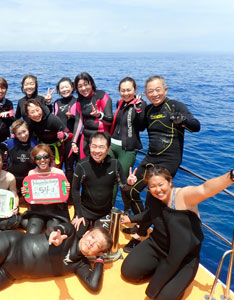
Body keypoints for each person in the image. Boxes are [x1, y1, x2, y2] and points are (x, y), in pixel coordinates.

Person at [121, 164, 234, 300]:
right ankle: (161, 268)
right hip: (157, 245)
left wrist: (233, 175)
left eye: (161, 184)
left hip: (184, 258)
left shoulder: (183, 196)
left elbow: (205, 189)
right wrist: (130, 218)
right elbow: (150, 214)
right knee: (128, 272)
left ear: (170, 181)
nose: (158, 190)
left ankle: (174, 278)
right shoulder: (154, 198)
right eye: (152, 186)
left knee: (163, 297)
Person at [124, 75, 201, 253]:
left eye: (158, 90)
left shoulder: (175, 106)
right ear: (146, 93)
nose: (155, 94)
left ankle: (140, 233)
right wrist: (137, 111)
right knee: (132, 190)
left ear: (165, 90)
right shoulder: (149, 109)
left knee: (154, 197)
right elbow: (140, 126)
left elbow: (196, 126)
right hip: (151, 157)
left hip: (169, 159)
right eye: (150, 91)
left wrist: (182, 120)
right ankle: (139, 223)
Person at [71, 132, 137, 238]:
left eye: (101, 147)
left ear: (108, 149)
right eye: (94, 146)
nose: (97, 151)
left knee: (100, 240)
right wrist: (78, 214)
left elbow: (124, 187)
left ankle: (92, 229)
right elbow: (75, 190)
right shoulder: (82, 165)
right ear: (89, 146)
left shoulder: (115, 164)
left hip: (104, 212)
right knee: (75, 237)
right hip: (84, 211)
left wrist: (129, 184)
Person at [109, 77, 146, 214]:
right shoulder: (120, 103)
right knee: (110, 178)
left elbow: (142, 127)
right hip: (112, 146)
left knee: (123, 181)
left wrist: (138, 111)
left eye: (128, 90)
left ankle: (127, 210)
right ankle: (110, 208)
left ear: (135, 89)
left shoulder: (140, 104)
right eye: (122, 90)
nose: (125, 93)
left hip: (128, 149)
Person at [21, 144, 71, 234]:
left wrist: (67, 190)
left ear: (49, 158)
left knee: (52, 233)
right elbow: (30, 199)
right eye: (38, 158)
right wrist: (26, 193)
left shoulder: (58, 173)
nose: (42, 160)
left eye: (45, 156)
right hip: (38, 210)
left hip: (55, 210)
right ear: (35, 160)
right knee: (31, 233)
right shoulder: (31, 173)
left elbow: (65, 198)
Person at [71, 72, 113, 159]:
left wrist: (99, 115)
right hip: (85, 138)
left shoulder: (102, 96)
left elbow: (110, 120)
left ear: (91, 83)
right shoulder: (79, 100)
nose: (83, 88)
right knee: (83, 164)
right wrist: (74, 142)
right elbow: (79, 121)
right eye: (80, 86)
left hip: (101, 138)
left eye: (86, 84)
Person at [25, 99, 71, 168]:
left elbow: (70, 135)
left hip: (56, 148)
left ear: (42, 109)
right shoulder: (30, 122)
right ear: (28, 115)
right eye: (32, 112)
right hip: (42, 148)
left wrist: (64, 135)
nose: (36, 114)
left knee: (55, 170)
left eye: (38, 110)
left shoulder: (52, 119)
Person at [0, 119, 38, 198]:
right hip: (12, 180)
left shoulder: (35, 145)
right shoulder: (10, 143)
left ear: (28, 130)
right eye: (19, 134)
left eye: (24, 131)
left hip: (29, 181)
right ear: (15, 135)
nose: (23, 135)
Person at [54, 77, 78, 198]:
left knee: (69, 168)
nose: (64, 89)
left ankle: (69, 196)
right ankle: (57, 193)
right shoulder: (56, 103)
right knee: (57, 166)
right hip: (59, 140)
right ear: (59, 89)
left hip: (71, 140)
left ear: (72, 87)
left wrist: (73, 117)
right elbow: (53, 119)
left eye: (66, 87)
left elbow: (81, 122)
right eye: (62, 87)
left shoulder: (77, 101)